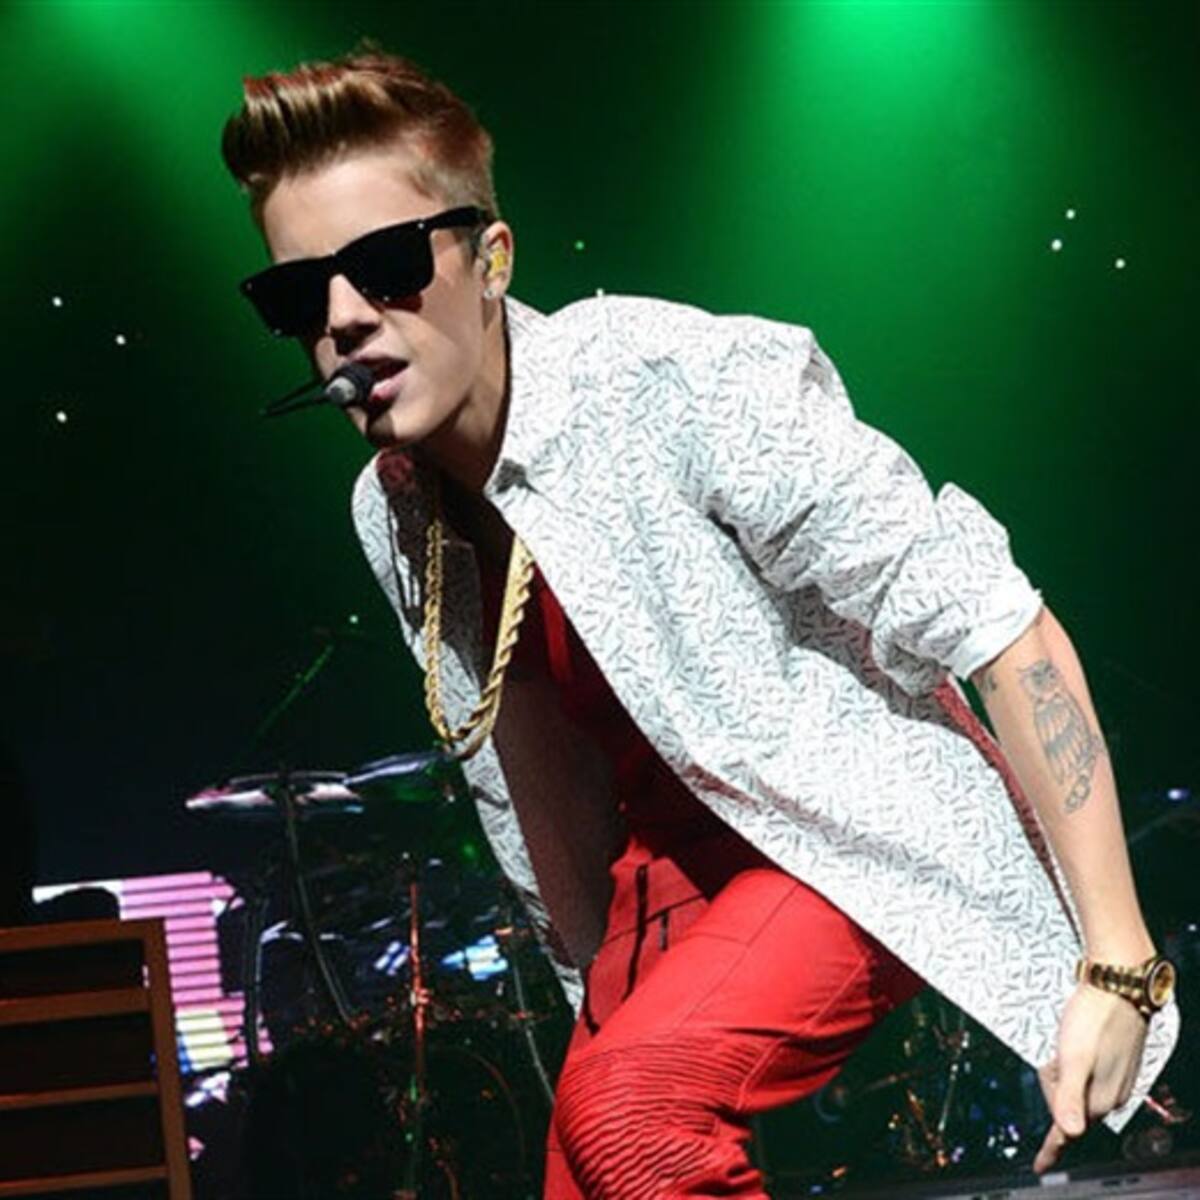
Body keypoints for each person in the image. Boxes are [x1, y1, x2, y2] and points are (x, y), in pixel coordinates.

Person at [221, 46, 1179, 1197]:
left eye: (384, 266)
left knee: (630, 1116)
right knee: (591, 1158)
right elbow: (523, 777)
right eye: (299, 295)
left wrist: (1119, 964)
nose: (342, 319)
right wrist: (598, 993)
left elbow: (996, 623)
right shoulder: (396, 510)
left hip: (839, 830)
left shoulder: (664, 380)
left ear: (493, 258)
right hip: (666, 874)